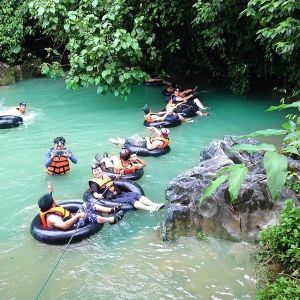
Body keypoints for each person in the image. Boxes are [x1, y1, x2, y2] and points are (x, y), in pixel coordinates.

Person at [38, 182, 125, 230]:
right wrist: (78, 216)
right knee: (87, 216)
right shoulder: (52, 218)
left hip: (71, 218)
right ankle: (111, 220)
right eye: (53, 200)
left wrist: (50, 191)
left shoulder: (47, 207)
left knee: (86, 204)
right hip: (71, 227)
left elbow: (48, 200)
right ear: (53, 205)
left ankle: (110, 210)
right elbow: (64, 226)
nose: (55, 200)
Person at [89, 164, 164, 213]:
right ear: (93, 173)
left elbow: (116, 177)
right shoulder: (94, 183)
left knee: (135, 194)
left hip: (119, 194)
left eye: (98, 170)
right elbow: (95, 193)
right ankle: (150, 209)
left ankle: (154, 204)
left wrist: (120, 174)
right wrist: (98, 195)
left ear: (101, 170)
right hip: (112, 199)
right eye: (95, 171)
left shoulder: (105, 176)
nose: (97, 172)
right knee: (130, 200)